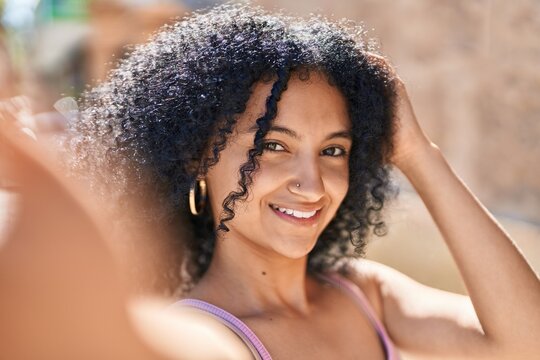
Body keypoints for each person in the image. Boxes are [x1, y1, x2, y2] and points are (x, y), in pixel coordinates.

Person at [68, 4, 540, 359]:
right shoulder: (203, 339)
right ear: (197, 156)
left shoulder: (364, 293)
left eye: (333, 150)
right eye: (274, 146)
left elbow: (527, 341)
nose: (312, 185)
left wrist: (417, 154)